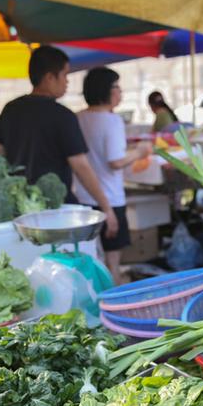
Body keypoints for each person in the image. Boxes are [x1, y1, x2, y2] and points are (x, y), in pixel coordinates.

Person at [0, 45, 119, 238]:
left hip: (19, 212)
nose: (67, 82)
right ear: (50, 78)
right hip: (57, 213)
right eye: (65, 75)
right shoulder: (63, 116)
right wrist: (106, 207)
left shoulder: (9, 110)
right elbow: (81, 166)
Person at [75, 67, 152, 283]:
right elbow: (116, 161)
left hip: (83, 198)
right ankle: (112, 302)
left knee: (91, 259)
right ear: (105, 90)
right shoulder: (112, 121)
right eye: (117, 87)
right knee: (112, 263)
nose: (120, 92)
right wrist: (139, 152)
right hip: (110, 199)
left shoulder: (78, 118)